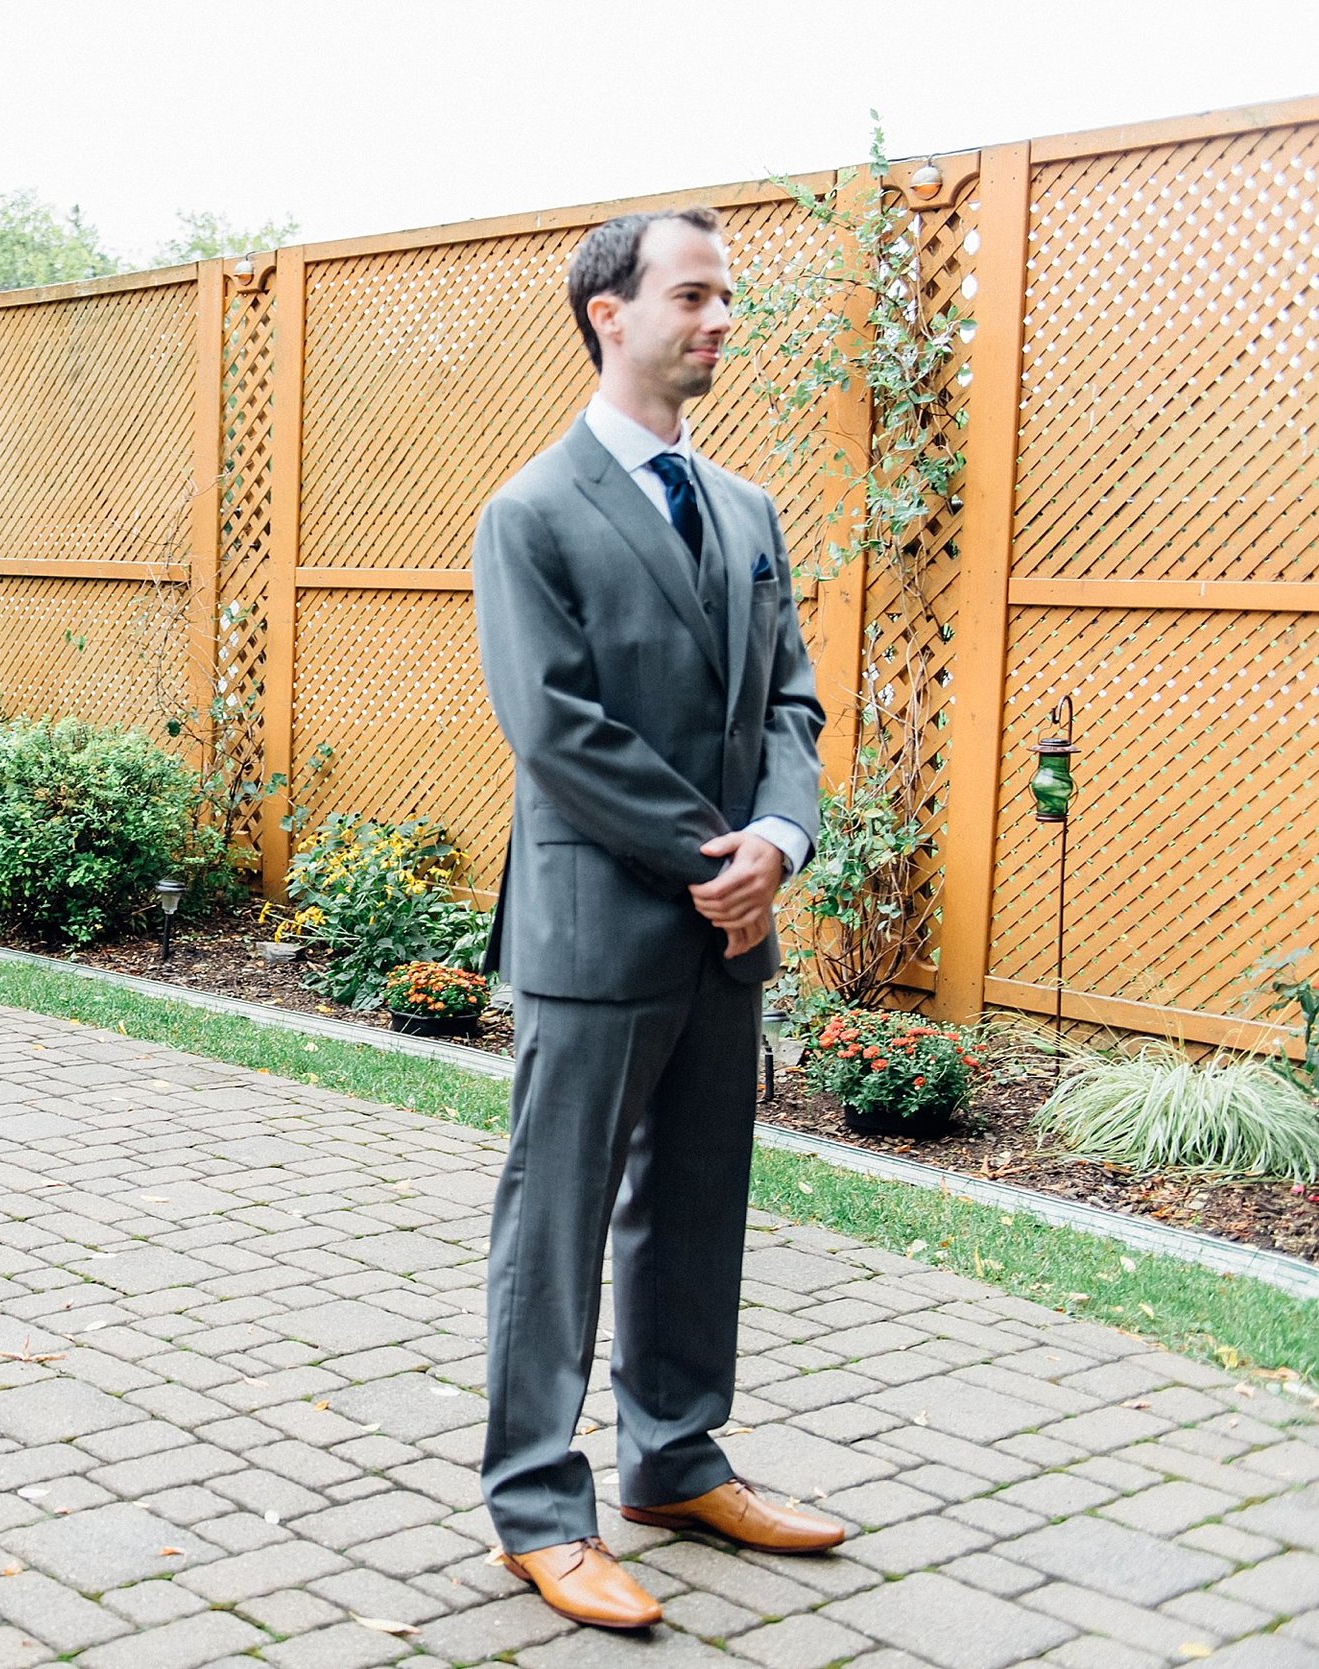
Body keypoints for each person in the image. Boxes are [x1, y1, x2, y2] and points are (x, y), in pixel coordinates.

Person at [468, 207, 841, 1631]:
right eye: (695, 295)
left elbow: (790, 704)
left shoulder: (745, 510)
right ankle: (533, 1509)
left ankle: (676, 1459)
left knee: (694, 1208)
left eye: (728, 297)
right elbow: (555, 728)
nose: (721, 319)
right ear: (608, 314)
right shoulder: (532, 512)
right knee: (552, 1225)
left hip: (729, 928)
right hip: (598, 928)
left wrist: (780, 842)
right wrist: (717, 855)